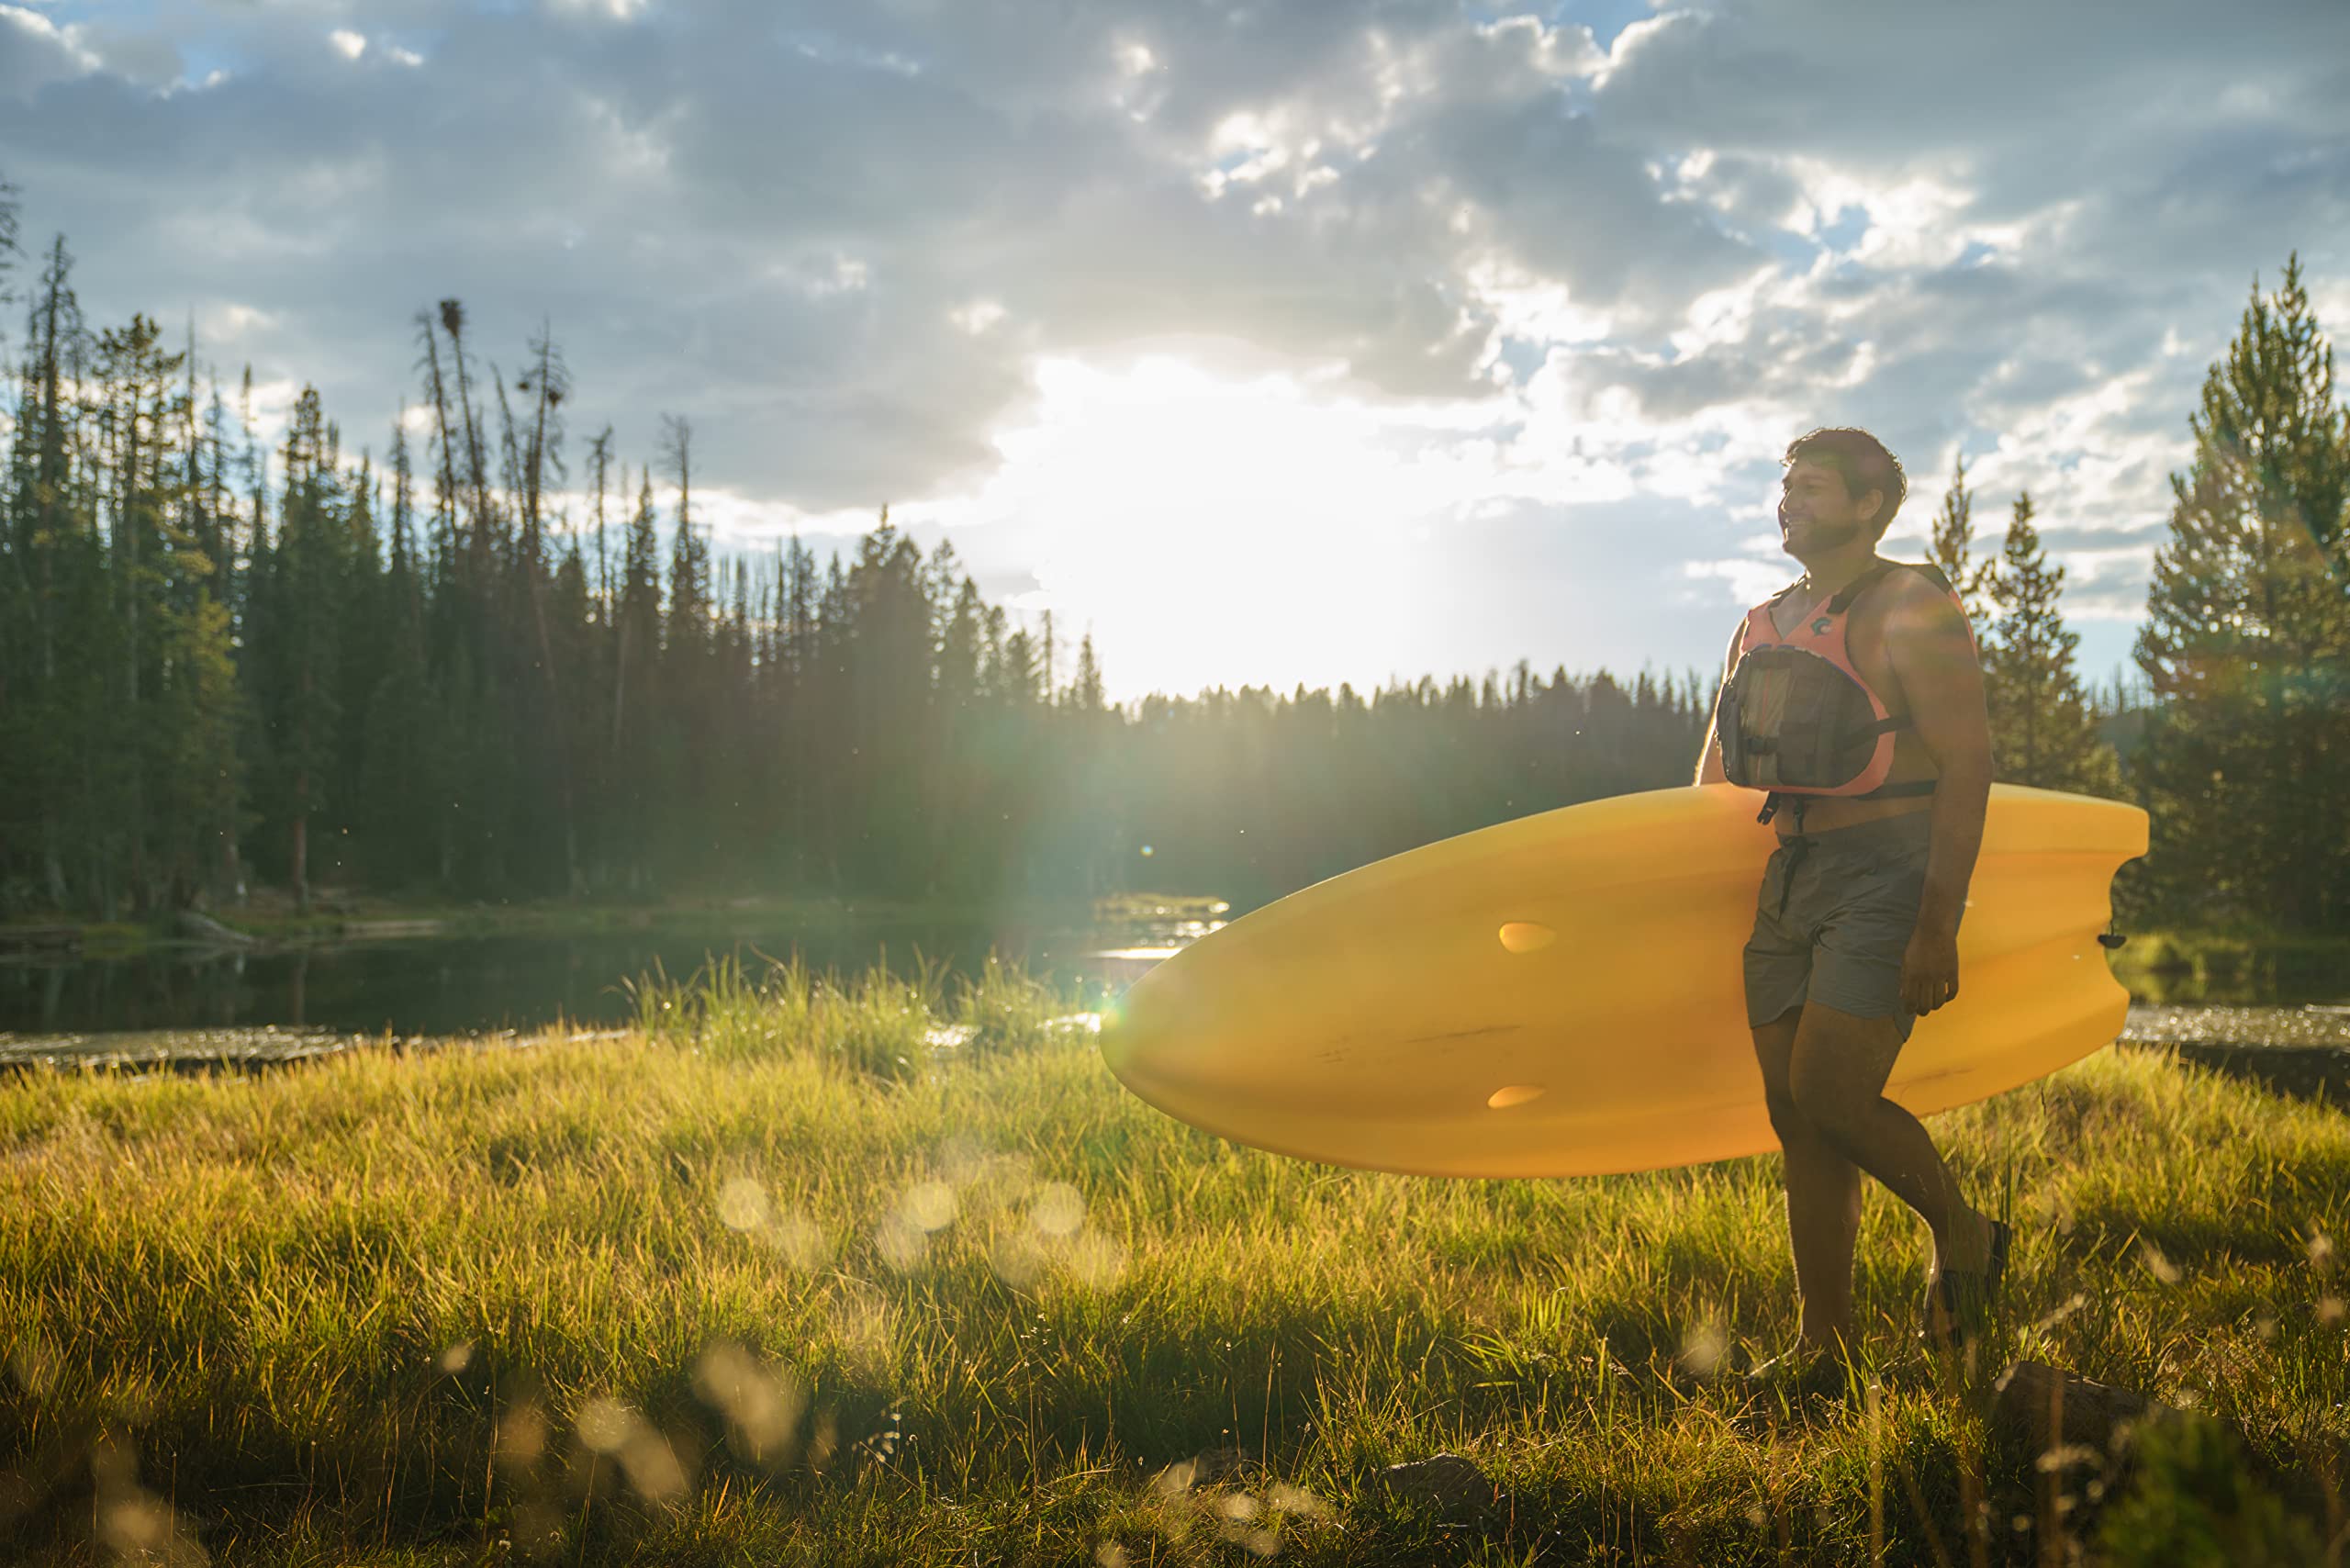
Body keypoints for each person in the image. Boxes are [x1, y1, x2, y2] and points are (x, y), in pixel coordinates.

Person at [1694, 427, 2008, 1384]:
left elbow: (1969, 764)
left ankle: (1966, 1235)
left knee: (1831, 1091)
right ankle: (1822, 1347)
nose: (1789, 501)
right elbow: (1711, 780)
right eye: (1785, 485)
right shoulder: (1758, 623)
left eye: (1814, 488)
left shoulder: (1911, 606)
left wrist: (1934, 923)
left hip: (1887, 868)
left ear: (1868, 505)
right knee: (1795, 1112)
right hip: (1789, 875)